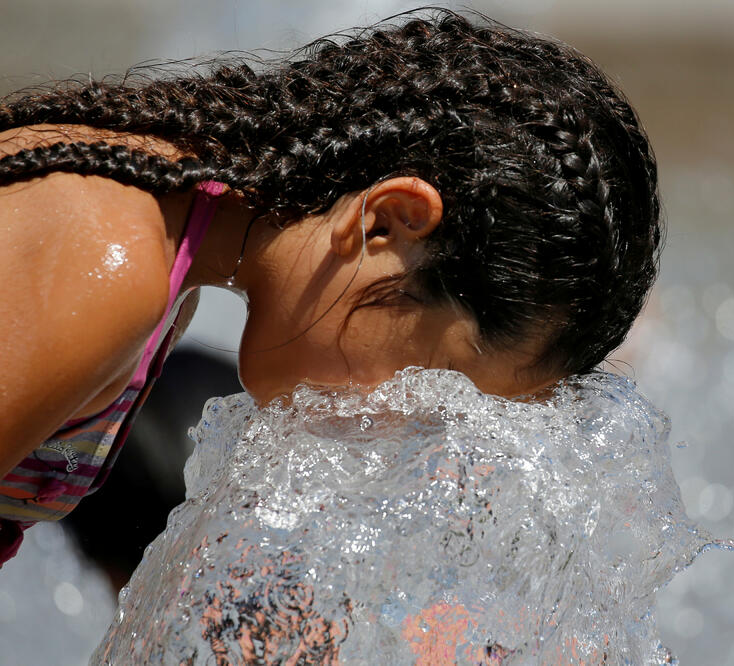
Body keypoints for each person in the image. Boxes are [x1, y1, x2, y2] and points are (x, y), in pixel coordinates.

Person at [0, 10, 661, 565]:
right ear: (386, 224)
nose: (387, 431)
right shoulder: (111, 263)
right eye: (428, 388)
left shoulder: (161, 264)